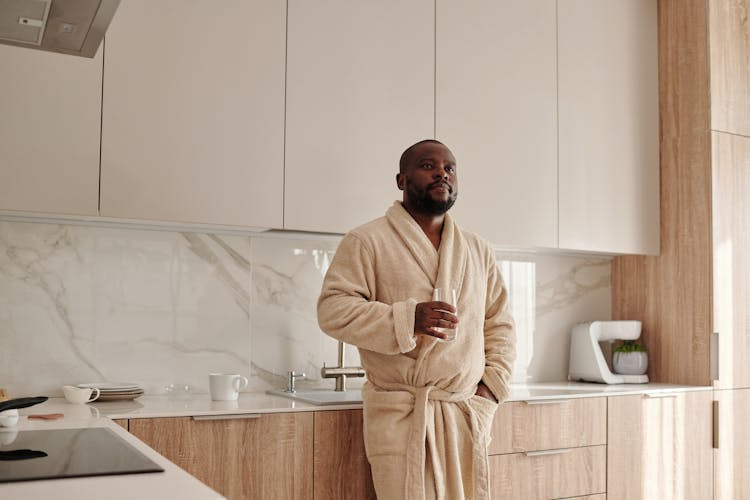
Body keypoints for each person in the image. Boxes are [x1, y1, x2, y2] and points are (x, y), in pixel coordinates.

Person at [317, 139, 516, 499]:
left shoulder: (477, 249)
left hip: (463, 410)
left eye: (450, 168)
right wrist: (407, 319)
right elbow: (333, 310)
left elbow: (499, 323)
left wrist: (490, 389)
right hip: (403, 413)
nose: (442, 172)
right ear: (401, 179)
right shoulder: (366, 241)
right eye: (428, 165)